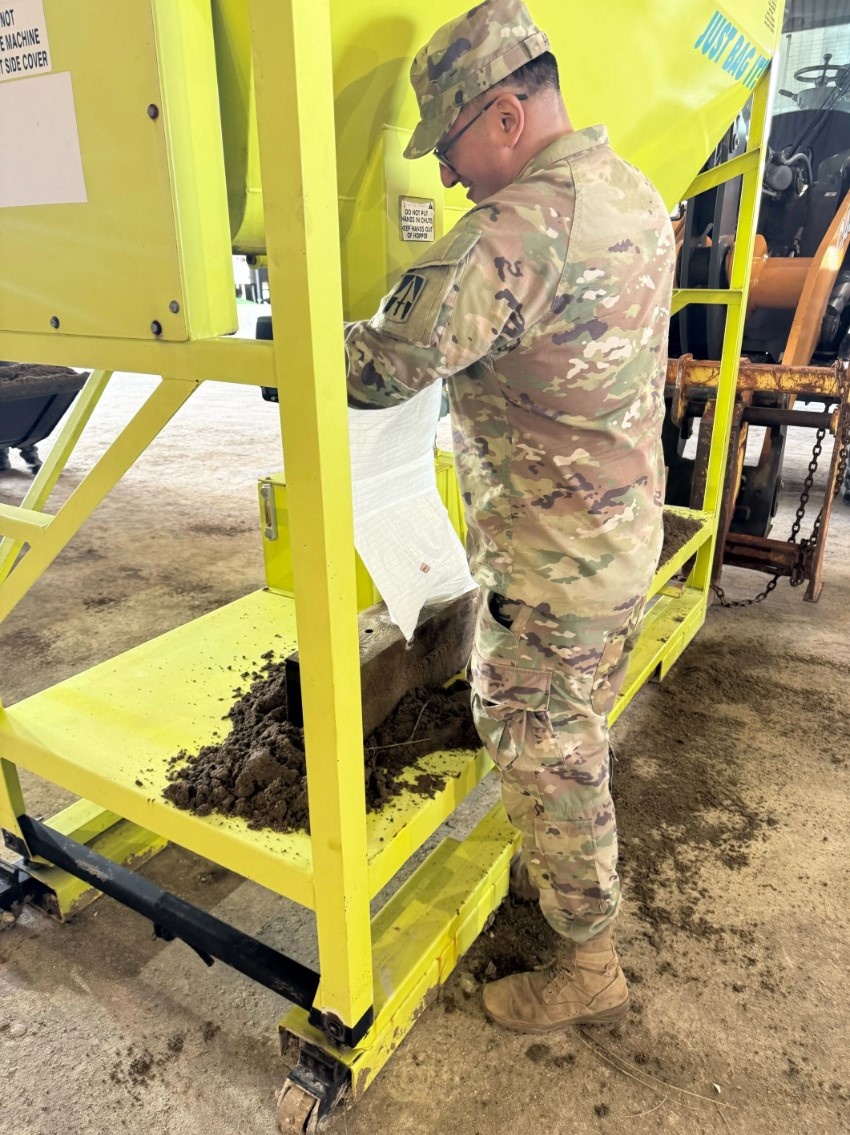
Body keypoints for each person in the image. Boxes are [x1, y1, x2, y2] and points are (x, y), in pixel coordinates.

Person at [344, 0, 675, 1031]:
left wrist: (293, 334)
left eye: (448, 145)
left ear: (502, 115)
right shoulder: (632, 191)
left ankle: (590, 965)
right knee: (574, 726)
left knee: (540, 745)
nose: (446, 175)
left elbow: (376, 369)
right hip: (618, 539)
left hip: (548, 571)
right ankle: (565, 867)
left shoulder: (512, 231)